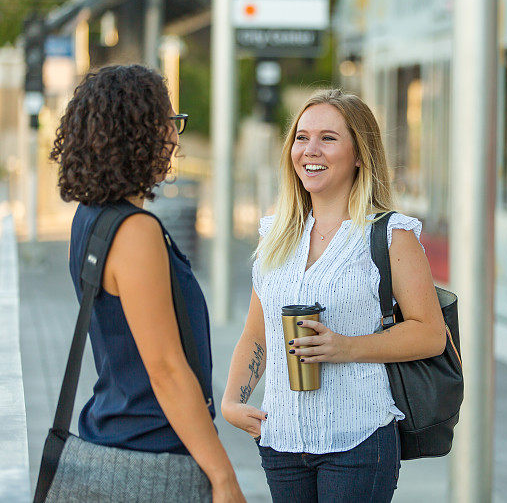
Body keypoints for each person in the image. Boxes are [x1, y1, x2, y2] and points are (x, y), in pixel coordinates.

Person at [221, 89, 446, 502]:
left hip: (359, 437)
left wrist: (345, 347)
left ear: (360, 154)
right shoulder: (275, 234)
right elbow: (258, 334)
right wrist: (233, 402)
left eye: (328, 138)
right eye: (302, 137)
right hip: (282, 440)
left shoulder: (390, 234)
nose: (310, 150)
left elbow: (431, 333)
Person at [50, 65, 245, 502]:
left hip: (114, 434)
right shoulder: (135, 232)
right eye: (168, 124)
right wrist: (223, 476)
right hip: (153, 460)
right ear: (135, 133)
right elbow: (167, 371)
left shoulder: (90, 218)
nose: (175, 139)